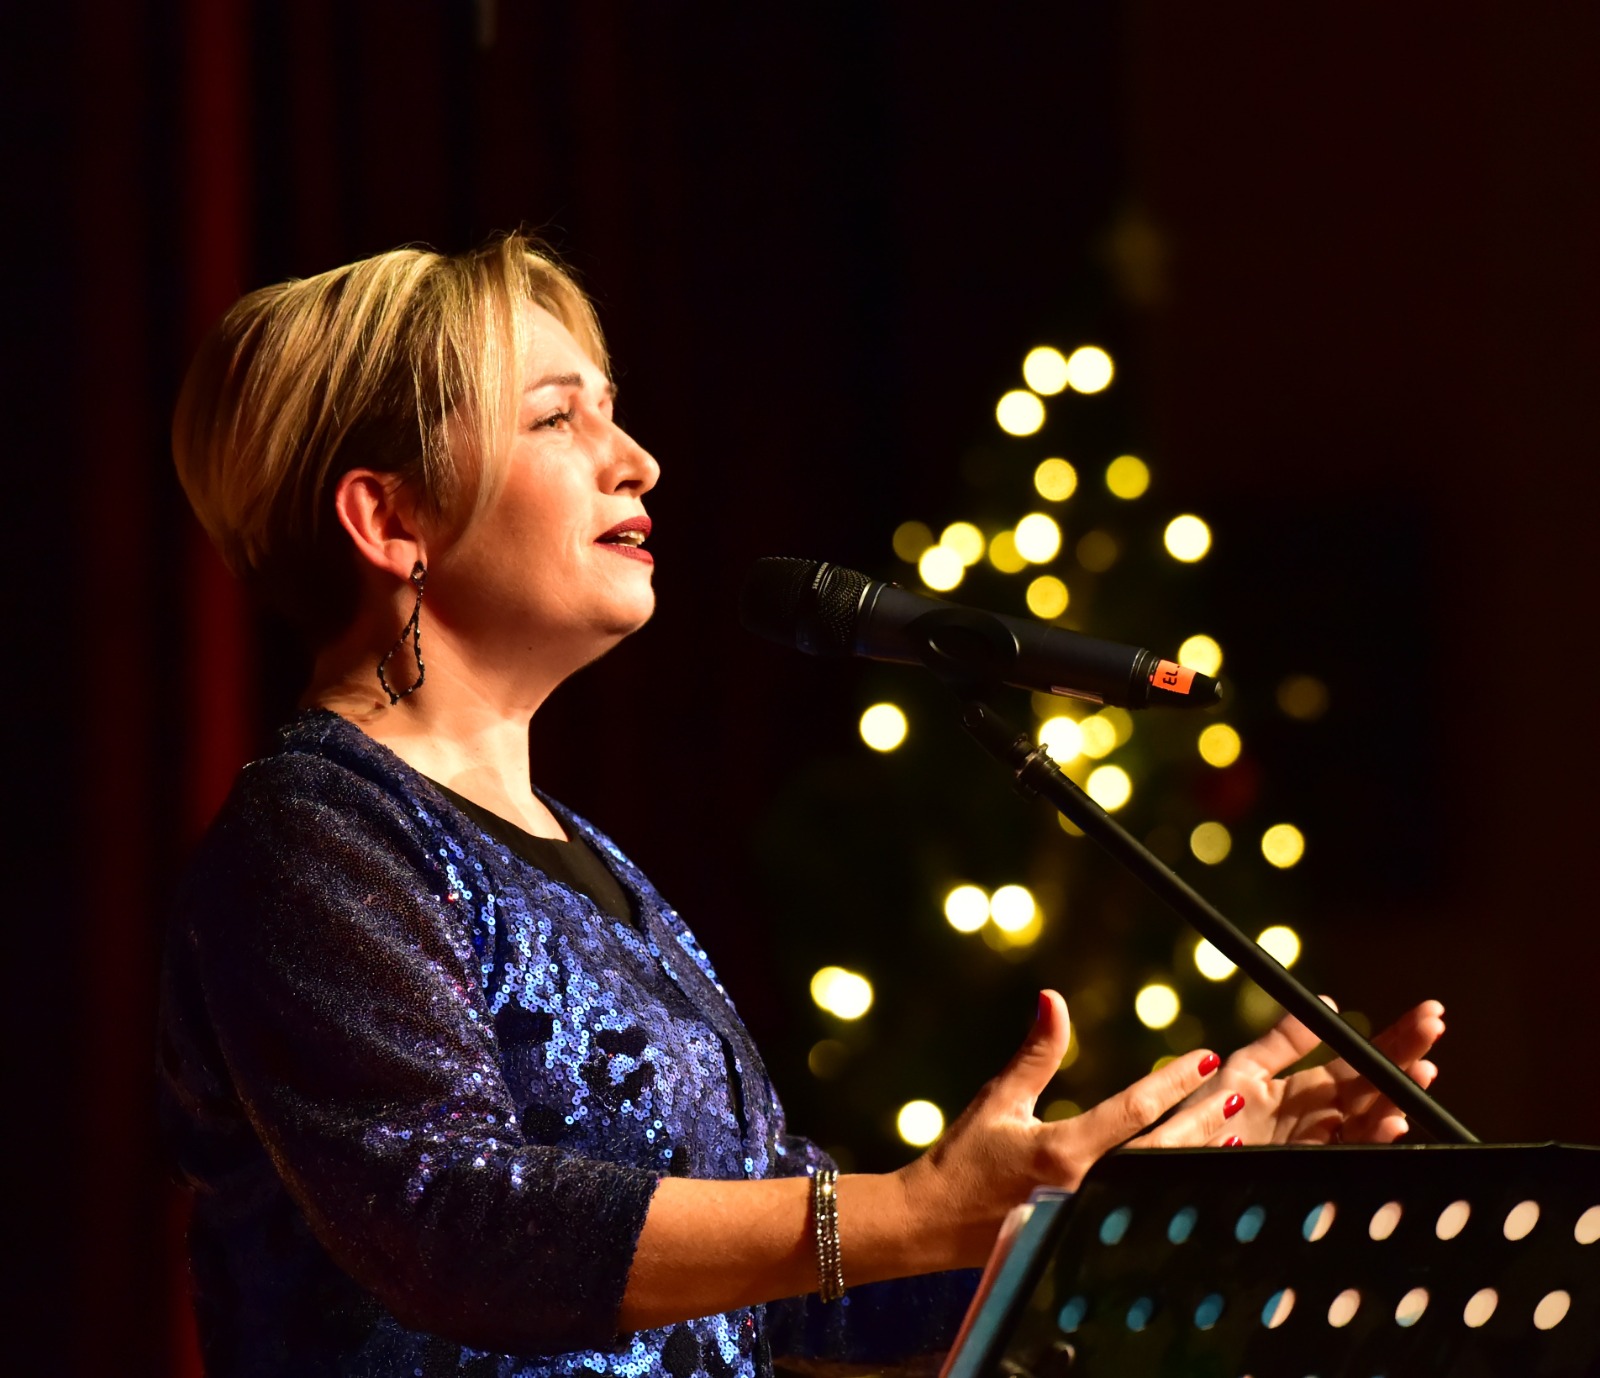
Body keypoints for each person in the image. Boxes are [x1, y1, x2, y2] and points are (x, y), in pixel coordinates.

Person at [158, 233, 1445, 1377]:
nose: (635, 460)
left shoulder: (590, 861)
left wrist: (1122, 1206)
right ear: (388, 517)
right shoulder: (314, 837)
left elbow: (800, 1282)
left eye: (614, 412)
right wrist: (906, 1209)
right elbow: (454, 1222)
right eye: (556, 419)